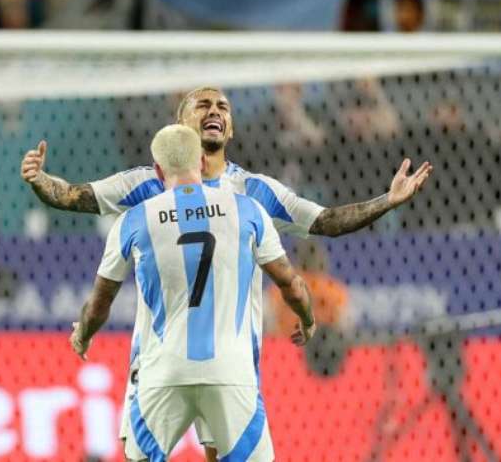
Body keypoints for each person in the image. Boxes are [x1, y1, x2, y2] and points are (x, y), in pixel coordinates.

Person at [21, 86, 432, 459]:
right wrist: (40, 181)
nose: (214, 110)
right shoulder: (147, 182)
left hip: (224, 361)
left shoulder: (254, 191)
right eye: (202, 104)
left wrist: (386, 201)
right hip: (163, 361)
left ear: (230, 128)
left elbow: (324, 220)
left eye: (222, 106)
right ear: (181, 125)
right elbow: (77, 196)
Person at [69, 125, 316, 460]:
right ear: (201, 161)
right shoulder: (247, 210)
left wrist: (83, 335)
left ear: (157, 171)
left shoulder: (133, 220)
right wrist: (307, 318)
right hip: (231, 372)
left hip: (163, 373)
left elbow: (100, 304)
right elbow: (292, 285)